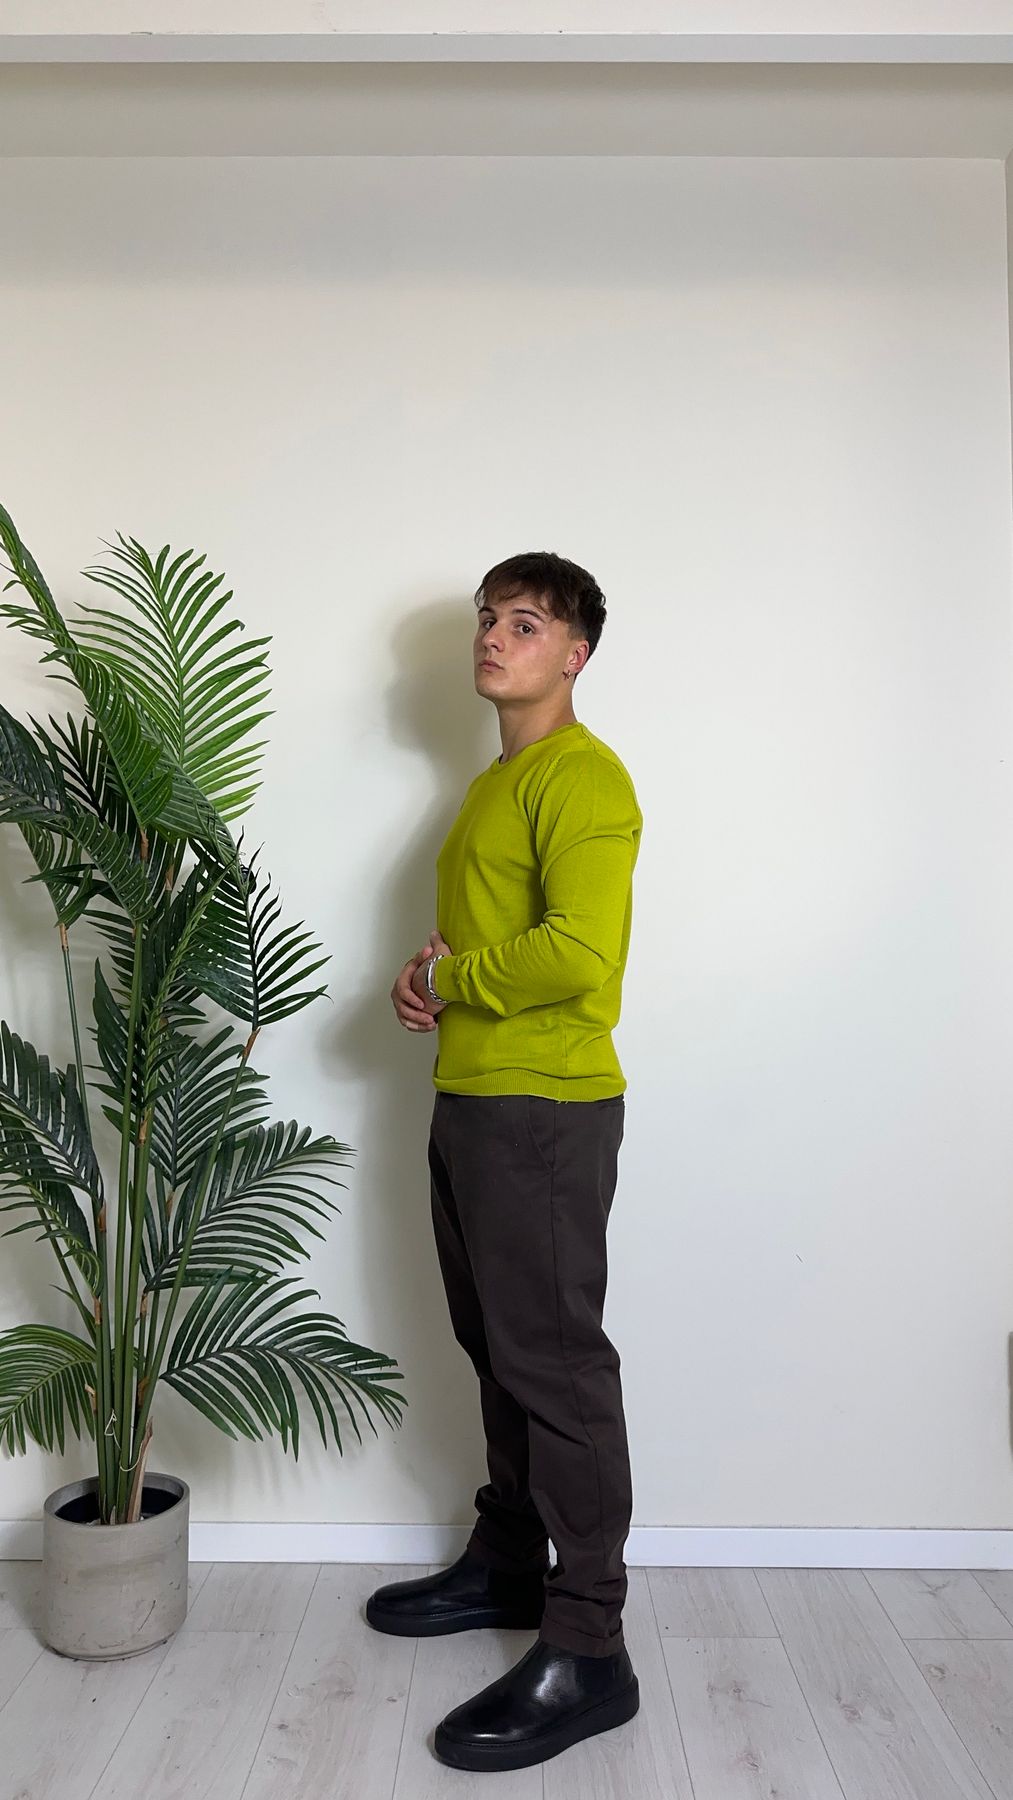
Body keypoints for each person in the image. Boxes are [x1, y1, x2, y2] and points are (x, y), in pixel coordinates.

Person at [368, 550, 644, 1774]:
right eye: (487, 617)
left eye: (524, 623)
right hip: (477, 1097)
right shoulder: (497, 784)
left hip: (543, 1106)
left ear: (573, 654)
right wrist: (427, 979)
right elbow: (485, 942)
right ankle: (508, 1560)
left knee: (555, 1366)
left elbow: (579, 952)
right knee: (498, 1347)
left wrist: (455, 978)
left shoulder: (583, 777)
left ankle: (588, 1645)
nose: (492, 636)